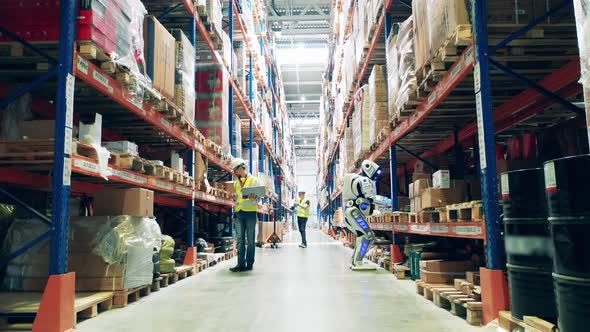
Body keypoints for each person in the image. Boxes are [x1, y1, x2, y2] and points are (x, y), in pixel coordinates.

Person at [229, 158, 259, 272]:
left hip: (250, 213)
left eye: (235, 170)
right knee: (240, 239)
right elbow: (237, 198)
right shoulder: (236, 183)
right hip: (239, 213)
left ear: (241, 168)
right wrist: (234, 209)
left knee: (251, 240)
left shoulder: (254, 180)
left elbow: (258, 200)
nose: (234, 173)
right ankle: (240, 264)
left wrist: (253, 199)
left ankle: (249, 263)